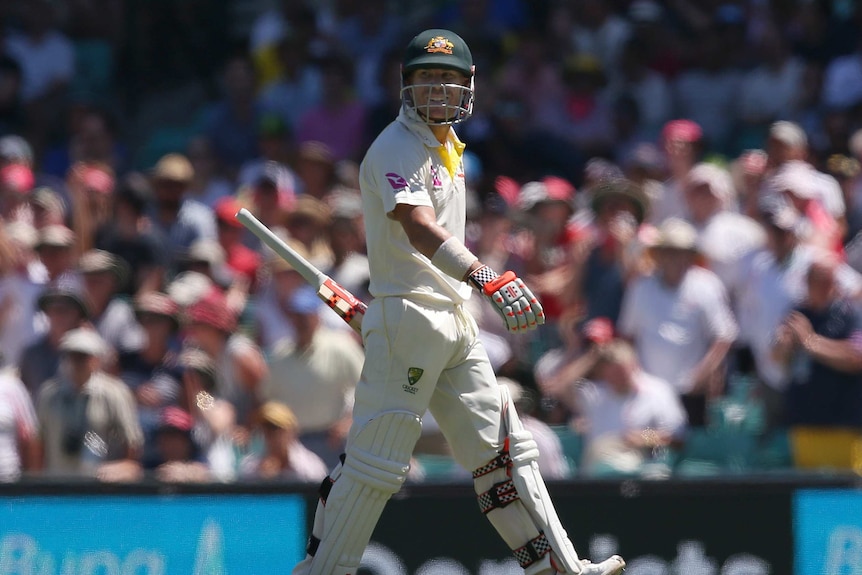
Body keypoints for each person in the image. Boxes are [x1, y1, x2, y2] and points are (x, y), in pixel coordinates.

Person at [292, 29, 625, 575]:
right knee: (376, 467)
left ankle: (559, 569)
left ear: (470, 87)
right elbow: (417, 227)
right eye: (426, 78)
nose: (438, 90)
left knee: (503, 455)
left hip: (449, 318)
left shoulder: (447, 147)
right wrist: (485, 276)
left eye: (449, 79)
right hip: (413, 314)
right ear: (406, 87)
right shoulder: (396, 146)